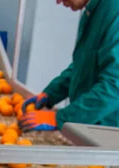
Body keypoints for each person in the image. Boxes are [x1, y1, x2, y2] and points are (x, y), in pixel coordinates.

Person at [19, 0, 119, 132]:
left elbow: (114, 86)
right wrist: (51, 93)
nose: (58, 1)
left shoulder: (114, 13)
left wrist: (61, 118)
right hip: (90, 128)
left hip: (109, 132)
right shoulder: (93, 11)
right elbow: (84, 64)